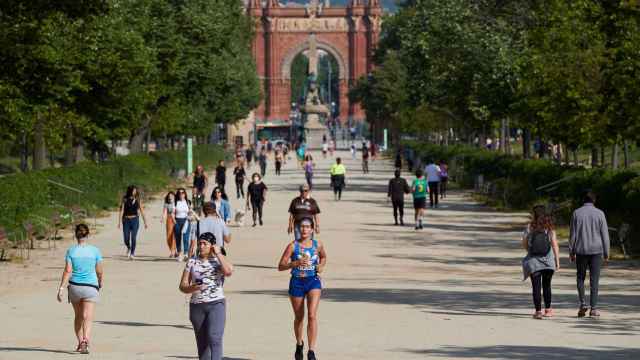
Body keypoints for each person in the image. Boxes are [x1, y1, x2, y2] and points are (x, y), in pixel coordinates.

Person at [278, 217, 327, 360]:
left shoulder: (318, 245)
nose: (304, 229)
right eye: (302, 227)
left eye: (307, 227)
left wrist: (321, 266)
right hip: (297, 282)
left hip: (313, 281)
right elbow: (280, 266)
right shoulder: (292, 246)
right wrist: (295, 263)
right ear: (298, 229)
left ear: (312, 229)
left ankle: (311, 351)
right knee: (299, 317)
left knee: (312, 315)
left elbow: (323, 257)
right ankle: (299, 344)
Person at [179, 232, 233, 360]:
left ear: (212, 246)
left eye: (205, 244)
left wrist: (218, 253)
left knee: (215, 337)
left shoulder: (218, 261)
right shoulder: (192, 262)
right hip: (197, 306)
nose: (201, 246)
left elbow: (229, 271)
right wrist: (191, 288)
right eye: (200, 244)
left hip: (216, 303)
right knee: (203, 344)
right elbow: (182, 286)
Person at [56, 224, 103, 354]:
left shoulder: (71, 251)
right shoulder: (95, 251)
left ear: (75, 235)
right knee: (87, 316)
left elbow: (68, 270)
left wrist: (61, 288)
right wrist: (100, 281)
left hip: (75, 287)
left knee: (78, 316)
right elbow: (99, 270)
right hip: (90, 287)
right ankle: (85, 341)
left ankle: (80, 341)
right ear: (88, 235)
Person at [569, 190, 610, 318]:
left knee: (580, 278)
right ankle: (593, 309)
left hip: (581, 250)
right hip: (596, 251)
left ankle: (582, 304)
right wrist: (606, 252)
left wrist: (571, 251)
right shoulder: (600, 214)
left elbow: (573, 235)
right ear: (594, 200)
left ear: (583, 200)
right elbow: (605, 235)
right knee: (594, 280)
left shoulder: (576, 213)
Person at [522, 205, 560, 319]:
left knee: (536, 287)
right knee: (547, 286)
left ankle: (538, 311)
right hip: (548, 262)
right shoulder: (549, 227)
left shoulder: (530, 226)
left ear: (534, 214)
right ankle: (548, 310)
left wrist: (529, 250)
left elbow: (524, 242)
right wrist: (557, 260)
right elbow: (554, 244)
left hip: (534, 261)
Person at [118, 185, 148, 260]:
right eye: (133, 190)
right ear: (130, 191)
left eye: (135, 190)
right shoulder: (124, 199)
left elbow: (141, 210)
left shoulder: (137, 199)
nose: (135, 192)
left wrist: (145, 222)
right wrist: (119, 222)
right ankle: (129, 247)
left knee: (133, 237)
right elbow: (121, 210)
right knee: (126, 238)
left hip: (135, 220)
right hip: (126, 220)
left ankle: (132, 253)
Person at [174, 188, 192, 261]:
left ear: (185, 194)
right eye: (180, 193)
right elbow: (172, 213)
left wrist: (189, 216)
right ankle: (179, 253)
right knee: (178, 238)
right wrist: (174, 221)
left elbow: (190, 211)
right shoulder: (175, 202)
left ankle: (185, 254)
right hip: (177, 221)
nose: (181, 194)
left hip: (186, 220)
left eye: (183, 193)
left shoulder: (188, 202)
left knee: (186, 237)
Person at [162, 191, 177, 258]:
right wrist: (162, 218)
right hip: (169, 220)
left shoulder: (177, 203)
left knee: (174, 236)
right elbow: (164, 212)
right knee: (168, 237)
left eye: (171, 196)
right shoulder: (166, 204)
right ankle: (173, 250)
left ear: (174, 197)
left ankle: (173, 252)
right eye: (169, 196)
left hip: (176, 219)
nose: (170, 197)